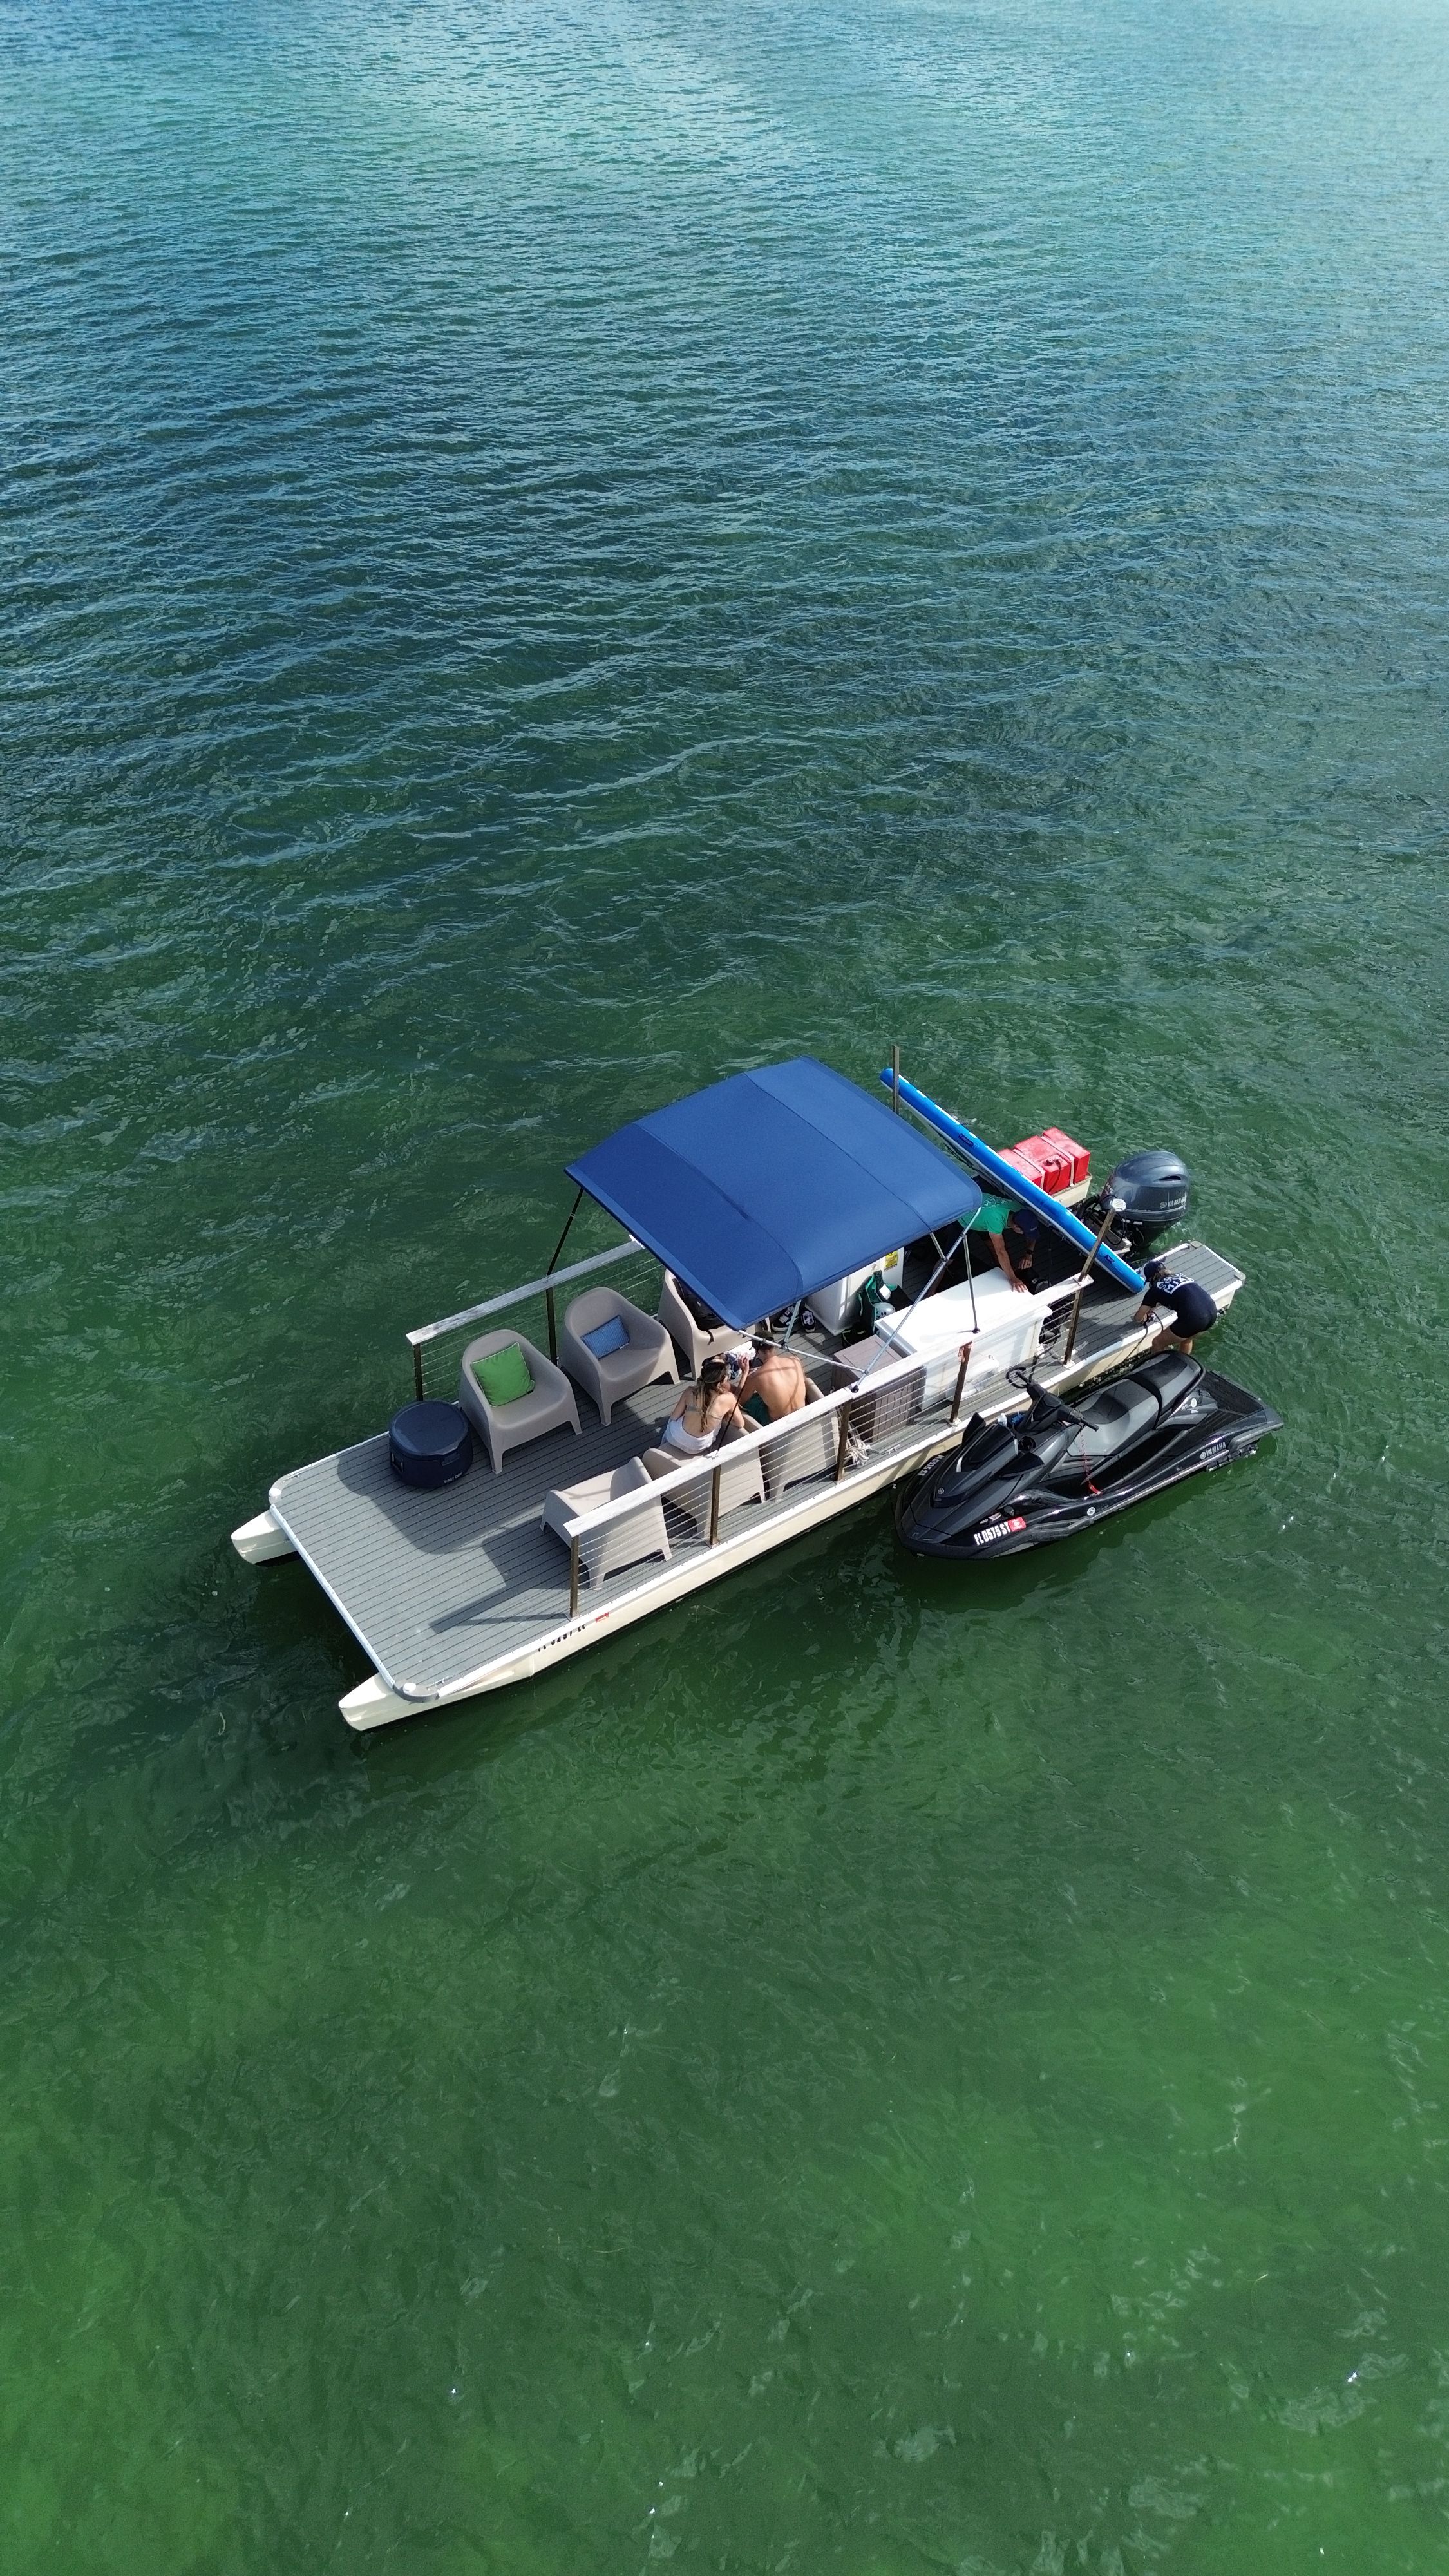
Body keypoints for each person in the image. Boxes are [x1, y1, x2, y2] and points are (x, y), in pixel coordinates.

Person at [658, 1355, 744, 1456]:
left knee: (673, 1420)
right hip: (698, 1447)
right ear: (723, 1380)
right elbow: (740, 1424)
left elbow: (674, 1417)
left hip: (675, 1438)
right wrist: (721, 1418)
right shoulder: (729, 1399)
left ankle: (662, 1445)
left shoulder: (690, 1391)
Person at [1135, 1258, 1218, 1354]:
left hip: (1193, 1319)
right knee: (1187, 1340)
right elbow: (1172, 1295)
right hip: (1212, 1312)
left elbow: (1138, 1317)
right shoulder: (1181, 1276)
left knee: (1158, 1343)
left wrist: (1144, 1318)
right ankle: (1183, 1364)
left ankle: (1164, 1367)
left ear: (1151, 1279)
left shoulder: (1155, 1289)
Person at [962, 1194, 1034, 1294]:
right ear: (1016, 1227)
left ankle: (1001, 1267)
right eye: (1025, 1232)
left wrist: (1029, 1253)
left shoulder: (1020, 1210)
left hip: (982, 1211)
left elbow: (1032, 1233)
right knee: (949, 1258)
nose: (1027, 1235)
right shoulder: (995, 1222)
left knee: (991, 1243)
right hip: (964, 1218)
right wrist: (1013, 1278)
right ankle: (932, 1290)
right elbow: (1000, 1251)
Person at [740, 1338, 809, 1425]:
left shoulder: (755, 1377)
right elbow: (804, 1379)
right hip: (802, 1415)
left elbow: (741, 1401)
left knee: (748, 1401)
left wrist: (745, 1373)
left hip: (779, 1424)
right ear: (774, 1347)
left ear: (757, 1352)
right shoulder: (795, 1360)